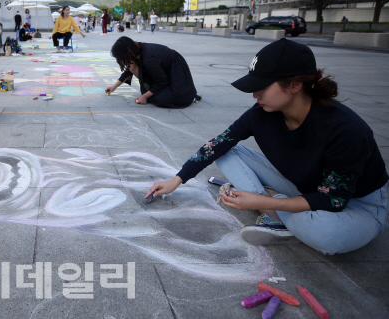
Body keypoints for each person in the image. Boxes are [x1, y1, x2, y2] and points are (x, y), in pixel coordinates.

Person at [146, 39, 388, 255]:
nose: (254, 95)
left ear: (295, 85)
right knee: (226, 152)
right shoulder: (262, 113)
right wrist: (176, 180)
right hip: (305, 187)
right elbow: (218, 144)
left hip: (359, 204)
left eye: (261, 87)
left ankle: (270, 206)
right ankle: (280, 213)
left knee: (329, 237)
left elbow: (334, 200)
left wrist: (265, 201)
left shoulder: (345, 129)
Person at [106, 36, 199, 108]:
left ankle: (189, 94)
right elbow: (128, 71)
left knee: (162, 99)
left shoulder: (148, 58)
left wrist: (145, 96)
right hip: (164, 72)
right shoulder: (136, 52)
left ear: (127, 53)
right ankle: (153, 91)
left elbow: (162, 81)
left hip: (175, 71)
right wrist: (114, 87)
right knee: (132, 67)